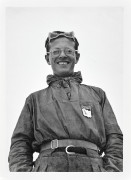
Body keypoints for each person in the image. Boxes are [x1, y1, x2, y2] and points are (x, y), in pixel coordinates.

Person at [8, 31, 123, 172]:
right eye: (56, 51)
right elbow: (20, 143)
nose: (62, 55)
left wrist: (111, 172)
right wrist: (24, 175)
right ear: (47, 58)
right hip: (48, 168)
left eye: (68, 51)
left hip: (93, 168)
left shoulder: (97, 94)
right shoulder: (34, 100)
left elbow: (115, 138)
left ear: (77, 56)